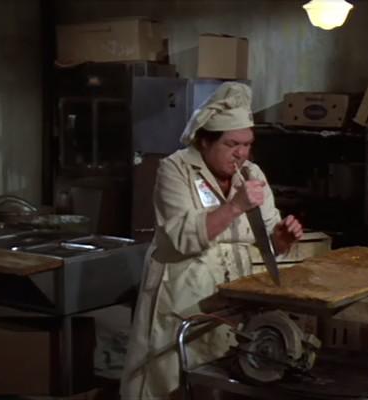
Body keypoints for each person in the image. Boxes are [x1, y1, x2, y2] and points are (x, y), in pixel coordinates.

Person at [120, 82, 303, 399]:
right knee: (173, 380)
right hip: (185, 295)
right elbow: (182, 237)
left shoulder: (253, 174)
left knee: (223, 380)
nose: (241, 154)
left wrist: (282, 239)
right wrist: (235, 206)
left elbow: (269, 241)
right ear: (205, 141)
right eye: (232, 144)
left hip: (235, 296)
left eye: (247, 144)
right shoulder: (175, 170)